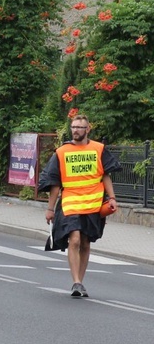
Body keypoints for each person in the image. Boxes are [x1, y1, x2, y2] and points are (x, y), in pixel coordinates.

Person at [38, 114, 121, 298]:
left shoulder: (98, 149)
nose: (75, 130)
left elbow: (105, 174)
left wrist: (112, 198)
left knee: (85, 241)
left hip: (93, 203)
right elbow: (54, 182)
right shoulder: (62, 152)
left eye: (79, 127)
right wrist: (50, 209)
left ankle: (80, 282)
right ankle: (75, 282)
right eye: (73, 127)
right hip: (71, 203)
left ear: (87, 129)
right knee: (74, 239)